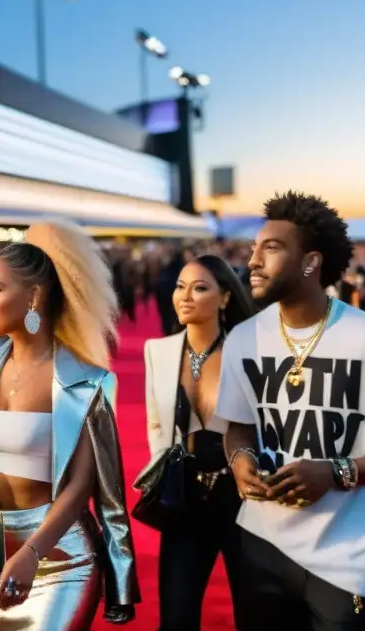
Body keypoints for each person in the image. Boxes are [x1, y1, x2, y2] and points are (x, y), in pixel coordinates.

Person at [215, 191, 365, 631]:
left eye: (270, 248)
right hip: (260, 542)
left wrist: (334, 472)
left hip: (346, 554)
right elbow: (237, 426)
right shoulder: (243, 338)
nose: (252, 260)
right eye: (254, 248)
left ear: (311, 263)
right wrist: (240, 461)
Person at [0, 220, 140, 629]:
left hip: (63, 558)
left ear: (34, 295)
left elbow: (82, 486)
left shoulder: (86, 380)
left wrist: (33, 552)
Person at [142, 254, 258, 629]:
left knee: (255, 614)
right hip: (184, 498)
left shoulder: (249, 351)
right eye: (180, 286)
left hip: (242, 496)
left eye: (200, 287)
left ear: (225, 298)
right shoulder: (156, 351)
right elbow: (156, 426)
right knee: (176, 617)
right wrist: (162, 479)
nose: (185, 296)